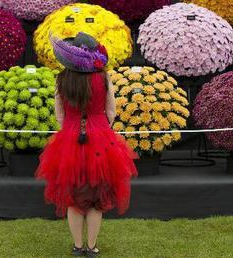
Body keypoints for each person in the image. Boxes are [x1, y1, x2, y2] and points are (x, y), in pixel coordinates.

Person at [36, 32, 138, 257]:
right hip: (101, 137)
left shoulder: (61, 79)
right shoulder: (103, 77)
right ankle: (92, 247)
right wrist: (101, 126)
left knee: (73, 198)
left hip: (69, 138)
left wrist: (72, 127)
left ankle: (77, 246)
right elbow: (111, 111)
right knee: (96, 199)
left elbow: (59, 115)